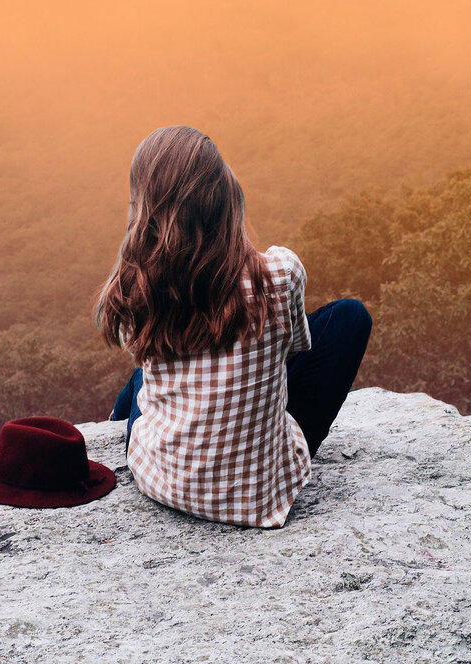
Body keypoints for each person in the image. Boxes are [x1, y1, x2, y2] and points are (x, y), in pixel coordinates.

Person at [94, 125, 372, 528]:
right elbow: (295, 349)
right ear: (223, 196)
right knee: (349, 317)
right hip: (258, 498)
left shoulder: (136, 288)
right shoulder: (281, 273)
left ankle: (117, 418)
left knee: (142, 376)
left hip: (160, 480)